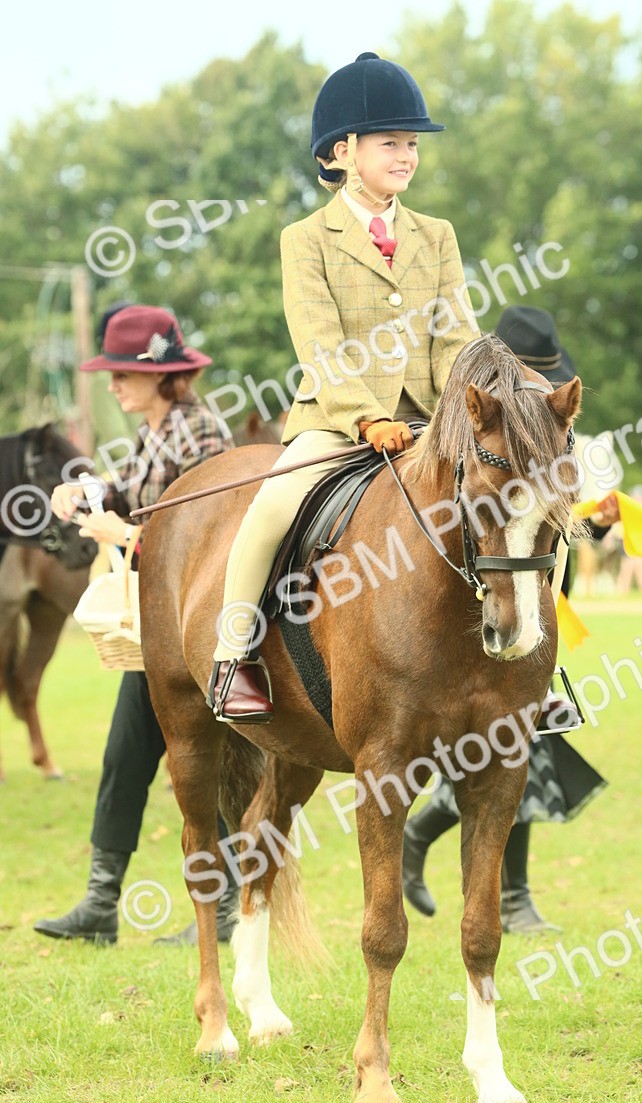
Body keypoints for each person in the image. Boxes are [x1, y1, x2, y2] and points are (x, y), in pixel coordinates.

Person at [206, 51, 478, 721]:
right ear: (342, 151)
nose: (407, 155)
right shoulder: (305, 239)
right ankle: (232, 656)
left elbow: (454, 337)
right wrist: (362, 417)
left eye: (412, 144)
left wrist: (468, 412)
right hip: (334, 419)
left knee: (511, 503)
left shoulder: (437, 235)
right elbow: (319, 344)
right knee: (271, 509)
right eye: (392, 142)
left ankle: (537, 666)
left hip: (428, 421)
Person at [402, 305, 614, 934]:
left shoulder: (548, 426)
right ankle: (242, 648)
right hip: (404, 443)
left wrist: (588, 521)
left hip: (518, 569)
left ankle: (539, 676)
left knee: (516, 749)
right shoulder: (477, 406)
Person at [34, 305, 236, 945]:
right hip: (157, 634)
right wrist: (84, 490)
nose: (113, 383)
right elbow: (127, 490)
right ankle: (100, 904)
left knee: (206, 766)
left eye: (123, 372)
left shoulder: (201, 433)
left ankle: (226, 908)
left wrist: (122, 535)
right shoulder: (158, 429)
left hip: (196, 633)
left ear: (163, 376)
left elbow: (213, 536)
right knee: (125, 758)